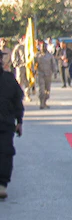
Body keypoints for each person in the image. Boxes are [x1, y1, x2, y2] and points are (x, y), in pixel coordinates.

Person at [0, 50, 25, 200]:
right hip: (7, 122)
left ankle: (2, 184)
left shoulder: (9, 79)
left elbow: (17, 101)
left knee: (5, 153)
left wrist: (19, 121)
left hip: (5, 123)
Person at [35, 44, 58, 109]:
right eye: (42, 47)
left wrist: (55, 72)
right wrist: (33, 70)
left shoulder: (50, 56)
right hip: (40, 74)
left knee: (47, 90)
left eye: (44, 47)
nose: (43, 48)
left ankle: (45, 102)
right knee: (41, 90)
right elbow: (33, 64)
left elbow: (53, 64)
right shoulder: (37, 55)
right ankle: (41, 103)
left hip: (48, 74)